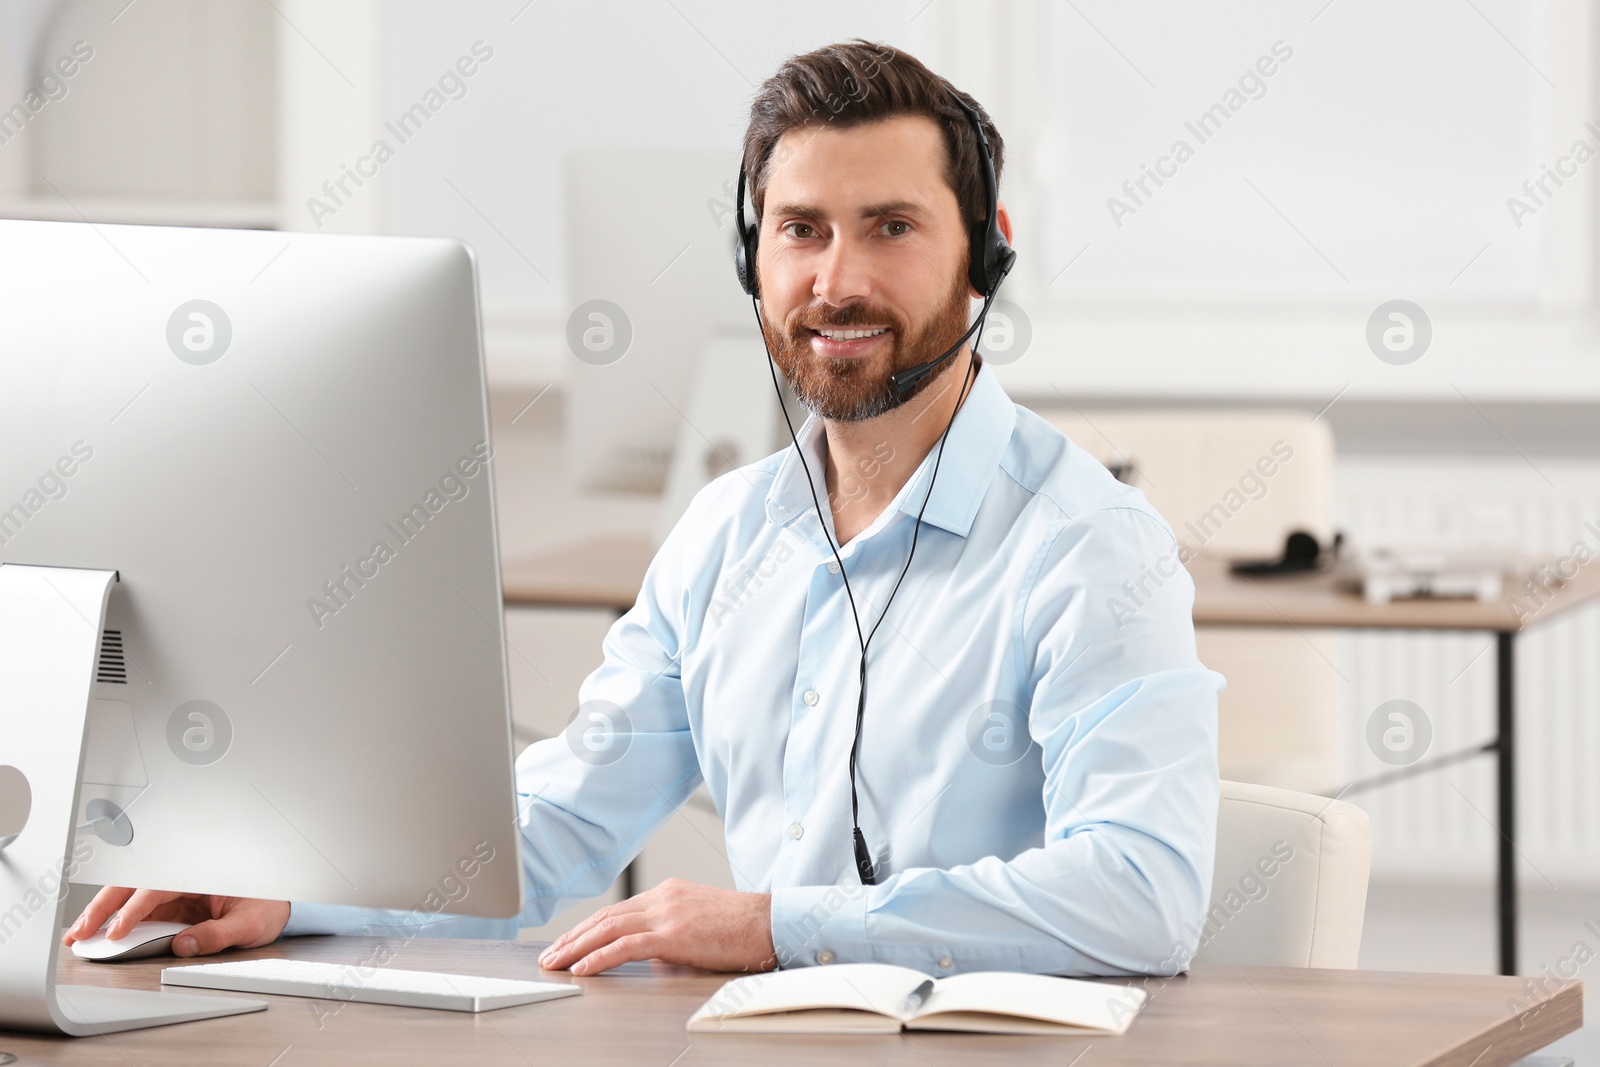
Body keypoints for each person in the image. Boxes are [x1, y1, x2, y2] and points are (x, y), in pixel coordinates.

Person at [65, 38, 1222, 978]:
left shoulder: (1087, 546)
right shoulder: (727, 538)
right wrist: (298, 887)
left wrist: (778, 924)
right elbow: (558, 825)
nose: (838, 281)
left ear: (988, 258)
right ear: (749, 258)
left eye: (893, 227)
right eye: (801, 230)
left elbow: (1141, 892)